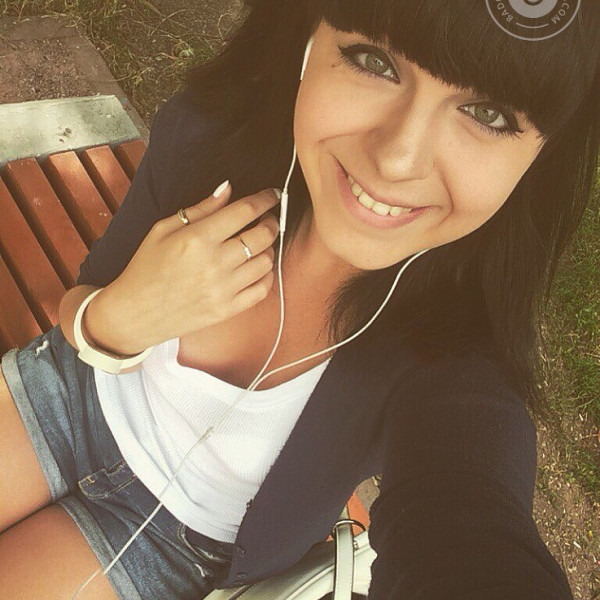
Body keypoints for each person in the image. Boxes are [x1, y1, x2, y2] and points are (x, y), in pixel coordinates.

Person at [0, 0, 598, 598]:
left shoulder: (456, 362)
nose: (397, 159)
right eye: (374, 61)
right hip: (65, 391)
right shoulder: (209, 141)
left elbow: (468, 521)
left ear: (543, 154)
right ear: (310, 35)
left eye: (488, 113)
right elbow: (83, 302)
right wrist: (116, 319)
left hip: (171, 543)